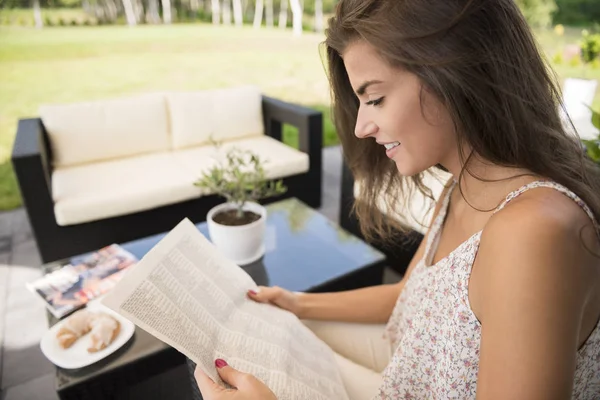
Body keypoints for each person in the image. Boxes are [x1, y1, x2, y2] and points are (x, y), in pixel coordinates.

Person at [195, 0, 600, 398]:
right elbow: (408, 294)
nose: (359, 128)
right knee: (248, 336)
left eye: (374, 99)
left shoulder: (535, 233)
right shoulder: (461, 187)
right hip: (405, 368)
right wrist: (297, 303)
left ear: (455, 72)